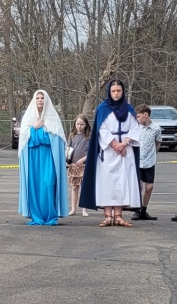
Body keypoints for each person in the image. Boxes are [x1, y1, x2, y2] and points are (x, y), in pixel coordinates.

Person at [80, 80, 141, 227]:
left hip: (125, 152)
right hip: (108, 152)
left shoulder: (129, 109)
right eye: (113, 91)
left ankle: (118, 216)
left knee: (122, 182)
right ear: (109, 92)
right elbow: (102, 129)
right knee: (108, 183)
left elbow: (134, 128)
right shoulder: (103, 109)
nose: (116, 93)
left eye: (118, 91)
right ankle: (108, 216)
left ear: (122, 91)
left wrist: (124, 143)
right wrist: (115, 145)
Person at [18, 90, 69, 225]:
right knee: (34, 186)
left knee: (48, 184)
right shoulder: (28, 118)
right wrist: (34, 128)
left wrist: (37, 134)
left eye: (42, 98)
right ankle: (36, 215)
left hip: (49, 157)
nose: (40, 100)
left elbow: (55, 140)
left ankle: (50, 215)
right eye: (38, 98)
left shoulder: (53, 118)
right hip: (33, 159)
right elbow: (24, 140)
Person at [132, 105, 161, 221]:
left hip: (149, 161)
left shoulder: (156, 129)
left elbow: (158, 142)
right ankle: (136, 210)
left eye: (139, 116)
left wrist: (154, 154)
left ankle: (144, 210)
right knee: (138, 186)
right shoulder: (136, 128)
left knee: (149, 187)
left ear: (146, 115)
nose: (137, 119)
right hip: (138, 161)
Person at [66, 115, 91, 217]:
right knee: (74, 187)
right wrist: (66, 159)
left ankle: (84, 210)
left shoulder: (88, 136)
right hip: (73, 165)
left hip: (84, 165)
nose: (79, 126)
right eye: (77, 124)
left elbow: (91, 151)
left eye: (82, 124)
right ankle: (73, 209)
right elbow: (68, 148)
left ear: (86, 125)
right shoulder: (72, 135)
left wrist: (84, 159)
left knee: (83, 187)